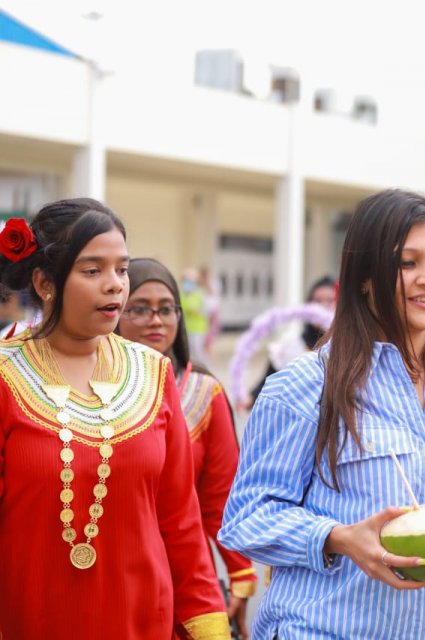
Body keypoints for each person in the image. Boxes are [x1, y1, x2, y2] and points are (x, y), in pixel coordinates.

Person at [218, 189, 425, 639]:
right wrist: (339, 537)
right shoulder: (306, 385)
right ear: (364, 278)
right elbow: (246, 518)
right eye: (407, 263)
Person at [0, 199, 230, 638]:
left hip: (142, 622)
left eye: (122, 269)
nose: (115, 286)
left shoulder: (153, 372)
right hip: (32, 622)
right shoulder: (6, 375)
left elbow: (181, 523)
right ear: (45, 282)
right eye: (93, 270)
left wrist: (209, 627)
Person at [116, 257, 256, 638]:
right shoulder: (90, 389)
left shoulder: (204, 392)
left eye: (166, 309)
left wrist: (240, 573)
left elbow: (221, 498)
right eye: (140, 309)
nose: (156, 321)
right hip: (117, 567)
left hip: (186, 574)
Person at [247, 276, 337, 405]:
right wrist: (249, 399)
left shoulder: (347, 348)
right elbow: (267, 384)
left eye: (330, 300)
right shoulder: (291, 346)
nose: (323, 306)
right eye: (317, 301)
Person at [180, 266, 209, 367]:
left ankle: (205, 369)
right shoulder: (182, 294)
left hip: (198, 329)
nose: (187, 283)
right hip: (186, 328)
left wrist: (194, 311)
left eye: (189, 281)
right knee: (189, 353)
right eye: (185, 280)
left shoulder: (199, 294)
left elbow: (204, 310)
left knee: (198, 352)